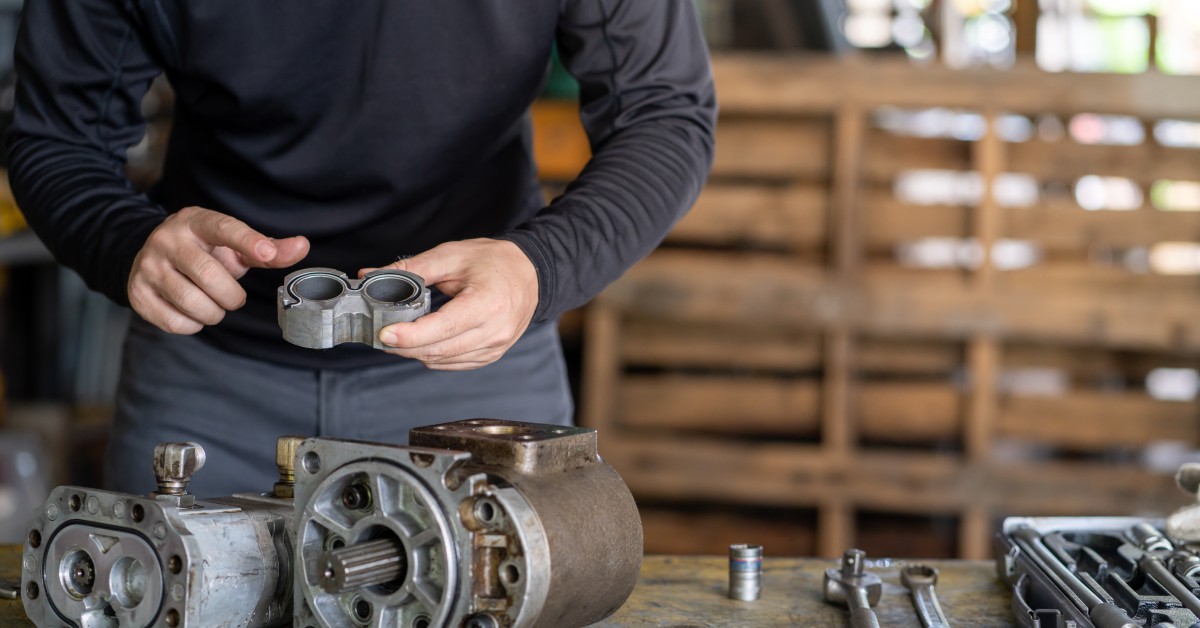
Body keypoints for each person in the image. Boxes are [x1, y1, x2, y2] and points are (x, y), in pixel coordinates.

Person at [7, 1, 716, 497]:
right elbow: (56, 137)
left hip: (475, 379)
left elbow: (663, 112)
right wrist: (126, 241)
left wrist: (541, 270)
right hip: (209, 383)